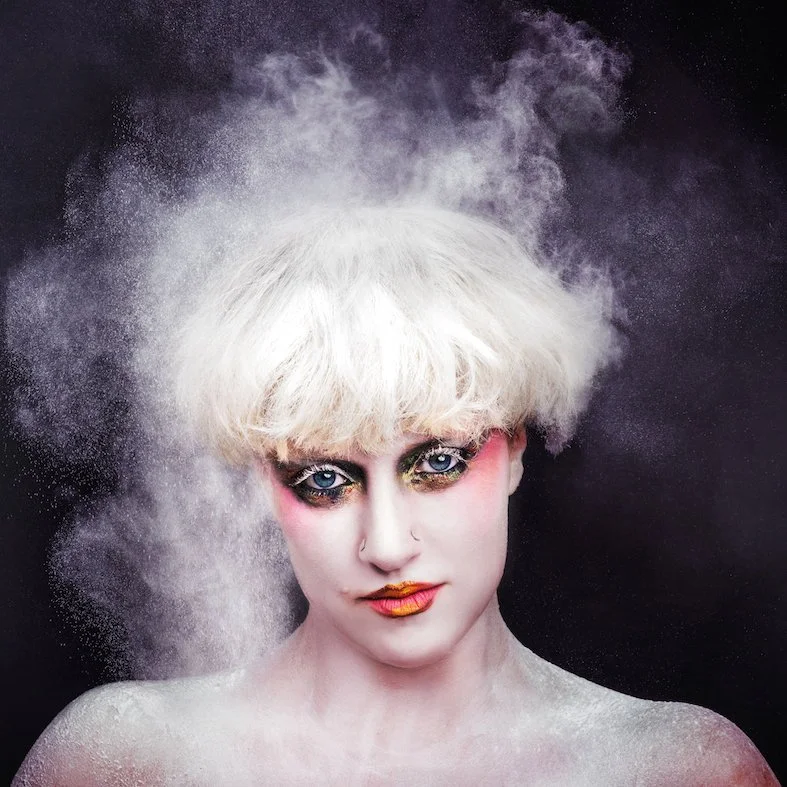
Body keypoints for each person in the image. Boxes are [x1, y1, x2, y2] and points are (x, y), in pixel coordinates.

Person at [14, 205, 778, 785]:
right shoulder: (125, 759)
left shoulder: (674, 770)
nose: (385, 545)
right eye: (324, 479)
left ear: (513, 449)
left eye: (436, 462)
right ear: (263, 483)